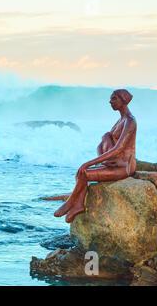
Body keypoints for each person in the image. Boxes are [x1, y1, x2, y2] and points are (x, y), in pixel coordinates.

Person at [54, 89, 137, 223]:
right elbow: (105, 143)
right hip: (114, 163)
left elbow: (118, 148)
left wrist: (89, 163)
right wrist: (102, 160)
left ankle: (70, 203)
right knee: (80, 172)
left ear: (123, 100)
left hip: (123, 168)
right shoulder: (120, 120)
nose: (110, 101)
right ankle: (79, 204)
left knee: (84, 172)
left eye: (114, 98)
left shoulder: (130, 121)